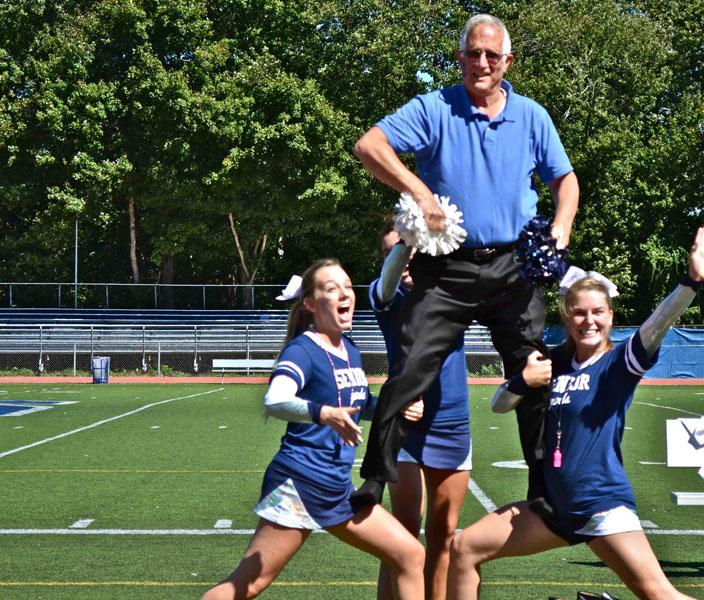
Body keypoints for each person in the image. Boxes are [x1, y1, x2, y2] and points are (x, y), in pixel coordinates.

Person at [351, 12, 579, 510]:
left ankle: (543, 489)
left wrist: (561, 226)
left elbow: (566, 180)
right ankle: (374, 480)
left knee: (536, 369)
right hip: (445, 268)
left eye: (491, 55)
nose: (481, 62)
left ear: (507, 61)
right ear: (459, 58)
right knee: (409, 365)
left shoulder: (533, 116)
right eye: (472, 53)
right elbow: (369, 145)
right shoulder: (434, 108)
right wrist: (418, 190)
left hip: (513, 266)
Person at [446, 227, 704, 600]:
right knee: (463, 548)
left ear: (610, 316)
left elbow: (656, 325)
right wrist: (522, 382)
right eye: (579, 313)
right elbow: (499, 405)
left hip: (600, 504)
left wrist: (691, 282)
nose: (589, 321)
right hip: (554, 510)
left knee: (660, 595)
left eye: (598, 313)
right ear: (566, 316)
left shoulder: (618, 363)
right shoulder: (552, 362)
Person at [202, 260, 425, 600]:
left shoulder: (348, 348)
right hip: (300, 483)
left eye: (348, 286)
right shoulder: (303, 350)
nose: (344, 293)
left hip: (334, 485)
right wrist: (324, 414)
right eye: (331, 288)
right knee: (248, 584)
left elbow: (356, 403)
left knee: (410, 555)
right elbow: (275, 400)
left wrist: (394, 407)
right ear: (309, 303)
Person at [371, 220, 472, 600]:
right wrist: (409, 238)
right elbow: (390, 275)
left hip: (451, 424)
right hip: (404, 424)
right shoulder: (385, 296)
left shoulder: (454, 292)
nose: (404, 259)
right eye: (392, 251)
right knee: (402, 530)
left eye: (411, 248)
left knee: (443, 536)